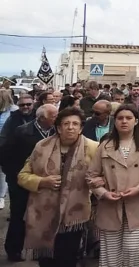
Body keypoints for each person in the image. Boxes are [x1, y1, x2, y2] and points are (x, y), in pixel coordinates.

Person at [18, 107, 97, 267]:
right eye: (66, 123)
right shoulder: (42, 146)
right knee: (46, 260)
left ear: (81, 128)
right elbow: (22, 176)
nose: (70, 127)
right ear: (59, 128)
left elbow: (102, 176)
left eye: (75, 124)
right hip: (44, 214)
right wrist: (42, 181)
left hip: (74, 214)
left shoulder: (93, 148)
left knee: (67, 257)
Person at [88, 104, 139, 267]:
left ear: (136, 121)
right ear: (114, 121)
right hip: (110, 204)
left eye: (129, 118)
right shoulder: (105, 145)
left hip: (137, 202)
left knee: (133, 248)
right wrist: (103, 193)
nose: (124, 121)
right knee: (110, 252)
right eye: (120, 118)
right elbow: (91, 175)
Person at [3, 104, 57, 262]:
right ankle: (14, 250)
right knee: (18, 216)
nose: (57, 118)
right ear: (42, 118)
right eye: (53, 116)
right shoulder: (22, 131)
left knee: (44, 216)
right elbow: (6, 154)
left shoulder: (56, 131)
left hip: (45, 183)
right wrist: (13, 177)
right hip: (21, 181)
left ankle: (42, 249)